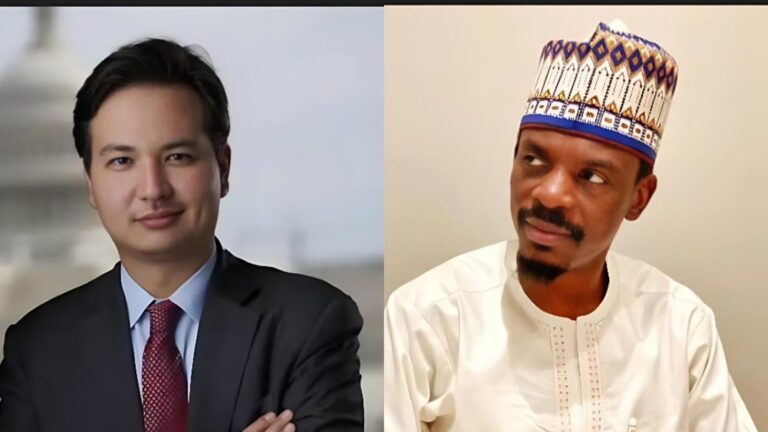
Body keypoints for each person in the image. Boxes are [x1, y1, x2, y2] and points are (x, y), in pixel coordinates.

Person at [384, 21, 757, 431]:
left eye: (592, 177)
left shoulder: (681, 324)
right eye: (534, 161)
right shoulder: (427, 317)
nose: (550, 194)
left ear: (638, 198)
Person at [0, 38, 364, 432]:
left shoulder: (308, 324)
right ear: (90, 183)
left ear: (222, 168)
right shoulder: (38, 350)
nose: (153, 189)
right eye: (122, 161)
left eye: (177, 157)